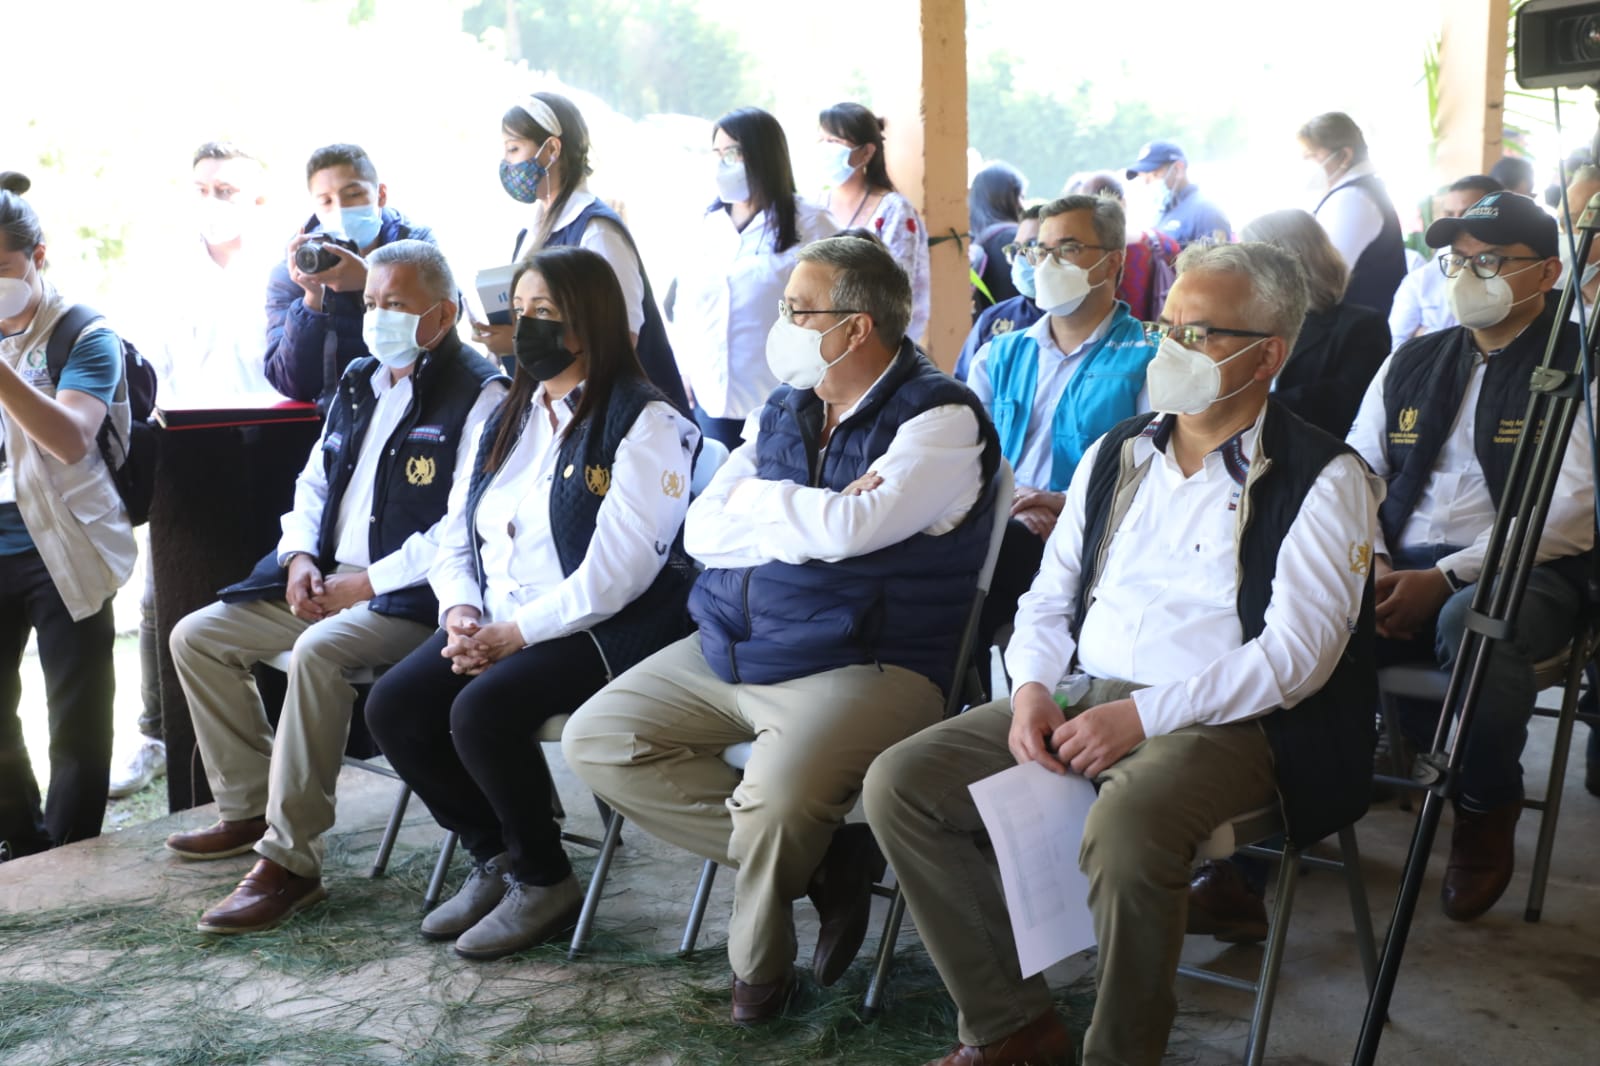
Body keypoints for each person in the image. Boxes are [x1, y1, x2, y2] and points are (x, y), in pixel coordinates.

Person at [864, 240, 1380, 1066]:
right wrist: (1030, 687)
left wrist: (1141, 717)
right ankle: (1010, 1024)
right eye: (1167, 327)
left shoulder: (1324, 476)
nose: (1170, 349)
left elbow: (1296, 657)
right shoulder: (1119, 451)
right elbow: (1049, 597)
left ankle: (1121, 1053)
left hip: (1228, 719)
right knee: (902, 783)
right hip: (1085, 691)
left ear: (1268, 356)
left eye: (1199, 334)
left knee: (1130, 828)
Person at [564, 231, 1001, 1024]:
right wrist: (810, 515)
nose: (782, 323)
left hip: (866, 659)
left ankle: (761, 976)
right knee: (596, 740)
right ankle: (828, 854)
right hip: (736, 641)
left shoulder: (939, 418)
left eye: (799, 310)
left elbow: (850, 532)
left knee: (774, 807)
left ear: (857, 327)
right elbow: (705, 530)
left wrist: (766, 507)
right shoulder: (786, 405)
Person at [365, 246, 697, 959]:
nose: (526, 327)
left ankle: (546, 878)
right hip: (496, 617)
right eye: (519, 312)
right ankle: (496, 856)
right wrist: (460, 611)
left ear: (590, 318)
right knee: (394, 706)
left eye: (544, 311)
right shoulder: (511, 412)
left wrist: (516, 634)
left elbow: (620, 573)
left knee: (479, 711)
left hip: (598, 627)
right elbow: (458, 531)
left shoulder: (644, 421)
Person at [165, 241, 506, 932]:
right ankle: (249, 806)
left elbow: (461, 527)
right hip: (324, 582)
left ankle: (290, 863)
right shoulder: (359, 377)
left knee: (318, 652)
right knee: (197, 636)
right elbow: (314, 482)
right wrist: (298, 557)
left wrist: (366, 584)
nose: (377, 317)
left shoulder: (481, 392)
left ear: (442, 314)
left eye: (396, 304)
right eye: (371, 303)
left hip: (412, 598)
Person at [1347, 191, 1592, 922]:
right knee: (1290, 606)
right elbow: (1353, 474)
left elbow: (1571, 510)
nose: (1467, 275)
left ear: (1547, 272)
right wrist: (1375, 562)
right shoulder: (1412, 360)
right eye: (1457, 261)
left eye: (1491, 261)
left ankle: (1485, 804)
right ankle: (1260, 844)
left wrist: (1444, 576)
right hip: (1398, 561)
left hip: (1531, 572)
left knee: (1470, 621)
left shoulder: (1582, 363)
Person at [111, 141, 282, 802]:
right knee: (162, 597)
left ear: (258, 199)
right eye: (203, 189)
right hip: (183, 449)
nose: (213, 202)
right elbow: (141, 366)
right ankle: (158, 735)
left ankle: (276, 734)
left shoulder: (282, 267)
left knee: (265, 588)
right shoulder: (164, 270)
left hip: (273, 451)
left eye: (227, 190)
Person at [0, 174, 134, 861]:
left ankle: (73, 853)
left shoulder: (84, 334)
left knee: (76, 712)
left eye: (1, 267)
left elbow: (72, 439)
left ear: (38, 256)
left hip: (66, 547)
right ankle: (19, 841)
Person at [967, 195, 1157, 649]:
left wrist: (1062, 502)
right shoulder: (998, 354)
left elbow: (1153, 472)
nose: (1047, 264)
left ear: (1113, 262)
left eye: (1068, 249)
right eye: (1040, 250)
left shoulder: (1150, 356)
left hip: (1093, 533)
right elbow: (965, 457)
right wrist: (1013, 502)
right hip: (1003, 518)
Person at [469, 92, 688, 412]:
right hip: (557, 407)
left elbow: (620, 339)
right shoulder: (532, 231)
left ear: (552, 150)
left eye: (514, 149)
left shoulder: (597, 232)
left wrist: (515, 342)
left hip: (613, 413)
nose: (507, 164)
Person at [671, 107, 836, 451]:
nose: (723, 164)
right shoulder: (708, 224)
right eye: (717, 154)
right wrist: (684, 369)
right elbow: (685, 308)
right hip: (711, 399)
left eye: (733, 153)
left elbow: (840, 302)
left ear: (763, 155)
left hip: (785, 401)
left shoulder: (811, 222)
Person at [264, 143, 440, 404]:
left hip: (417, 403)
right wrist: (311, 301)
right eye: (326, 201)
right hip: (340, 417)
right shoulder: (296, 268)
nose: (341, 209)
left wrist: (372, 281)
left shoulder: (415, 243)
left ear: (380, 194)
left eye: (354, 194)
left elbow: (444, 321)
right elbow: (292, 384)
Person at [1241, 209, 1390, 436]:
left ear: (1289, 262)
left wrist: (1248, 409)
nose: (1243, 272)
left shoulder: (1361, 327)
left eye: (1251, 261)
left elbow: (1343, 405)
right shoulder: (1245, 325)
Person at [817, 102, 931, 341]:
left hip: (874, 342)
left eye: (835, 142)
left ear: (866, 152)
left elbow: (896, 288)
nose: (825, 149)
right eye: (822, 140)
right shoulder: (816, 206)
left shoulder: (893, 211)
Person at [1299, 112, 1407, 316]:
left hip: (1355, 325)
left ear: (1344, 156)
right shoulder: (1354, 192)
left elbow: (1326, 278)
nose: (1306, 162)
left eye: (1312, 155)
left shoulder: (1352, 198)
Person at [1388, 175, 1504, 346]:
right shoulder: (1420, 280)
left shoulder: (1510, 271)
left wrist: (1425, 334)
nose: (1457, 222)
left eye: (1468, 214)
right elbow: (1397, 347)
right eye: (1449, 214)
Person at [1066, 170, 1180, 319]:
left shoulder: (1075, 256)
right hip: (1156, 331)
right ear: (1124, 202)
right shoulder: (1165, 245)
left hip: (1103, 334)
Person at [955, 205, 1043, 382]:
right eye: (1016, 248)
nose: (1020, 256)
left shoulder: (1082, 320)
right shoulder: (994, 319)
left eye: (1032, 246)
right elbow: (961, 384)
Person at [1123, 139, 1231, 247]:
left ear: (1178, 169)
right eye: (1143, 177)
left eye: (1154, 174)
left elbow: (1218, 256)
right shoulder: (1163, 210)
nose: (1147, 183)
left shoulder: (1206, 213)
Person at [968, 162, 1026, 315]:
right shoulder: (1016, 240)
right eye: (1022, 197)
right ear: (1011, 198)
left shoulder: (970, 242)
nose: (1023, 205)